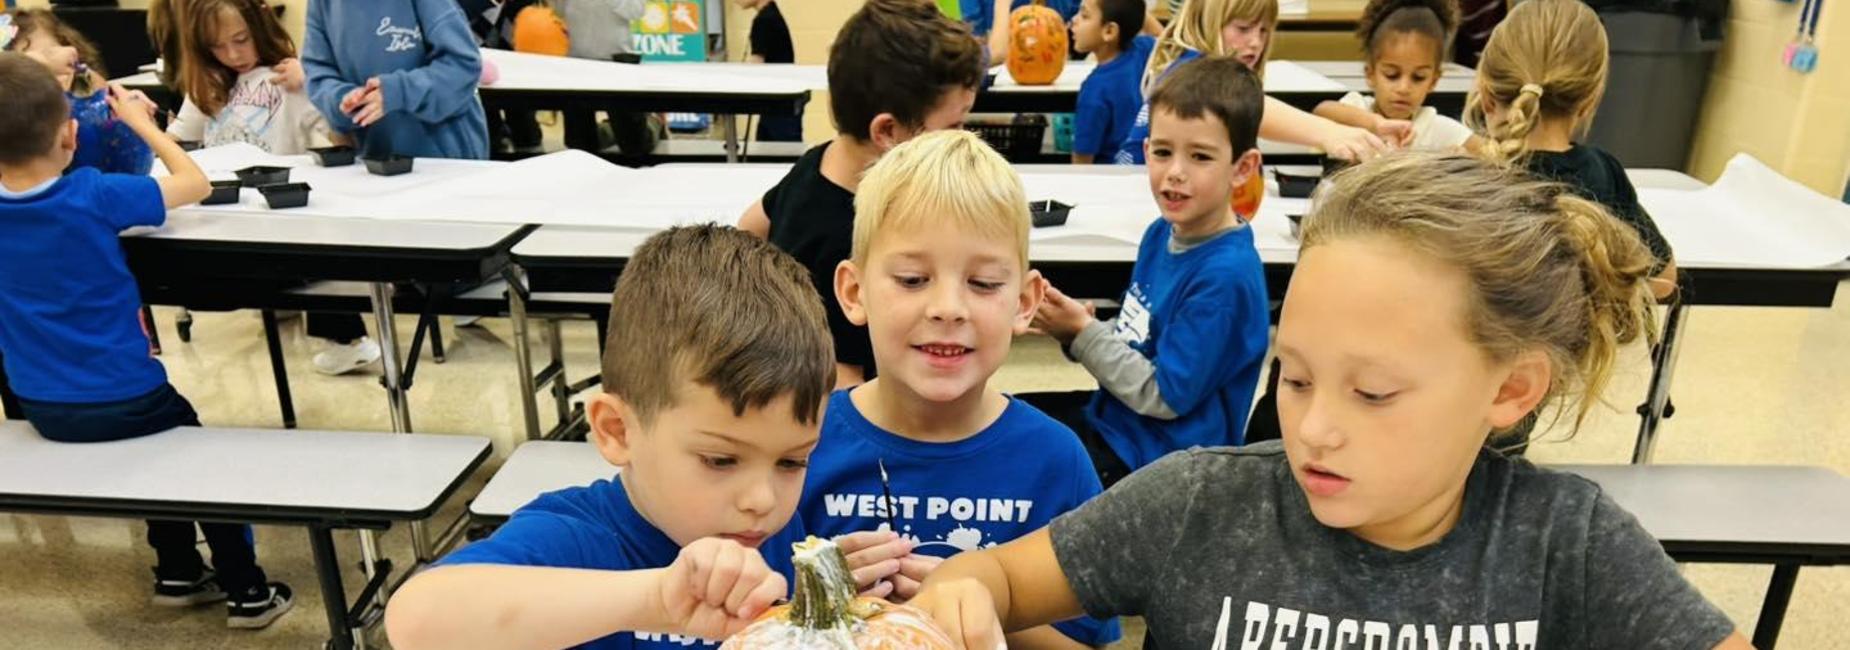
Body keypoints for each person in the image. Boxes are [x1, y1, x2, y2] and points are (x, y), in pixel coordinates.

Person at [905, 152, 1754, 650]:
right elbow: (998, 578)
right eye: (1297, 378)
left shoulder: (1564, 544)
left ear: (1511, 388)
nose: (1312, 428)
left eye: (1374, 393)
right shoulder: (1200, 502)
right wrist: (964, 593)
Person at [384, 224, 837, 649]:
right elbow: (416, 620)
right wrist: (655, 599)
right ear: (617, 431)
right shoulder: (574, 540)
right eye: (721, 460)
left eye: (791, 462)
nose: (762, 499)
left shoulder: (766, 533)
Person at [0, 53, 294, 630]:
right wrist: (143, 125)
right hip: (128, 392)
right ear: (70, 134)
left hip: (42, 405)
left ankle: (179, 571)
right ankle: (248, 590)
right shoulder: (92, 194)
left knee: (159, 457)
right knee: (192, 458)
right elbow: (196, 183)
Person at [801, 130, 1119, 650]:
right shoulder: (803, 448)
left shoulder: (1056, 462)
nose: (948, 307)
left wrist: (991, 607)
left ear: (1024, 301)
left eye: (984, 284)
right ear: (854, 293)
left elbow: (1091, 643)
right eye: (911, 279)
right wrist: (816, 599)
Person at [1026, 56, 1270, 488]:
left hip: (1164, 465)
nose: (1175, 172)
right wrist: (1078, 331)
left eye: (1200, 156)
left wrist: (1083, 335)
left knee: (1016, 459)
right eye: (1163, 152)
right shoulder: (1162, 232)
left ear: (1243, 168)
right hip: (1118, 423)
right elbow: (1135, 339)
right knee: (1000, 421)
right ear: (1146, 152)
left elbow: (1162, 396)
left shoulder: (1224, 278)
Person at [737, 0, 986, 389]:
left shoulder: (817, 161)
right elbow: (844, 384)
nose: (966, 139)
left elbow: (750, 227)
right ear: (887, 132)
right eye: (954, 126)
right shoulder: (852, 236)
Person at [301, 0, 493, 373]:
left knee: (456, 279)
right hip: (379, 164)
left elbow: (464, 65)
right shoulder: (323, 4)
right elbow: (317, 71)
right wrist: (340, 99)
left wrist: (399, 91)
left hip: (448, 162)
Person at [1465, 0, 1676, 300]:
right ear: (1590, 101)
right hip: (1583, 346)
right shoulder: (1603, 173)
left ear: (1487, 97)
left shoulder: (1464, 175)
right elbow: (1664, 282)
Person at [1114, 0, 1410, 165]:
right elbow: (1238, 101)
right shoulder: (1191, 70)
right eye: (1242, 29)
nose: (1255, 42)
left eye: (1264, 30)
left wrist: (1370, 127)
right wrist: (1333, 134)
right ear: (1210, 22)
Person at [166, 0, 333, 153]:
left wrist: (313, 82)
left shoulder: (290, 77)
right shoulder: (210, 83)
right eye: (217, 46)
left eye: (241, 40)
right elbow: (175, 141)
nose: (233, 55)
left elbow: (343, 140)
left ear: (260, 27)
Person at [2, 9, 154, 175]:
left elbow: (104, 98)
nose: (69, 50)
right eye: (47, 52)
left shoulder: (84, 87)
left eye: (57, 46)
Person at [1313, 0, 1477, 152]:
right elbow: (1322, 111)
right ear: (1370, 74)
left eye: (1418, 77)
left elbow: (1491, 152)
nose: (1403, 88)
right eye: (1392, 75)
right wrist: (1375, 124)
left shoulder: (1434, 127)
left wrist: (1461, 159)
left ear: (1433, 81)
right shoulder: (1358, 109)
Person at [1069, 0, 1156, 164]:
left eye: (1084, 15)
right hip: (1143, 170)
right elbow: (1163, 37)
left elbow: (1081, 160)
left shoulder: (1093, 92)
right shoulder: (1143, 49)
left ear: (1109, 31)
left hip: (1106, 179)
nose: (1074, 19)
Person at [737, 0, 803, 142]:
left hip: (778, 109)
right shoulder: (772, 15)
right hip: (781, 104)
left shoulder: (763, 21)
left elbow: (757, 67)